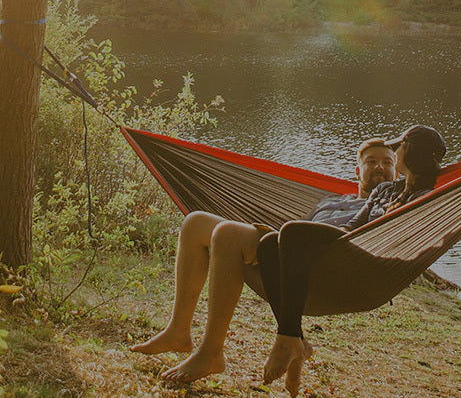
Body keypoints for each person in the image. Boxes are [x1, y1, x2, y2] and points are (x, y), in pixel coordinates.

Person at [130, 138, 400, 386]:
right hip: (287, 255)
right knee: (195, 223)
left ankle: (211, 353)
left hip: (331, 272)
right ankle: (179, 331)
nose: (380, 167)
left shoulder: (390, 204)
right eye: (371, 162)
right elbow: (297, 231)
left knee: (227, 235)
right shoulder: (330, 201)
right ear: (357, 171)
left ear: (397, 173)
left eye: (388, 163)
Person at [256, 124, 447, 395]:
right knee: (267, 245)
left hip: (372, 263)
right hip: (351, 245)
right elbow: (355, 224)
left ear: (411, 154)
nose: (395, 153)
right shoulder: (385, 190)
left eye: (399, 148)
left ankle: (288, 339)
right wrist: (329, 237)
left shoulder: (425, 198)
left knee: (291, 232)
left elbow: (419, 234)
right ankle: (293, 338)